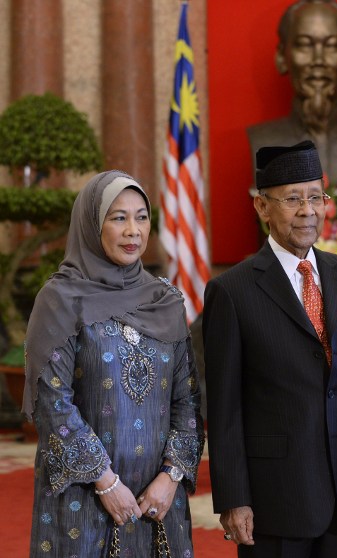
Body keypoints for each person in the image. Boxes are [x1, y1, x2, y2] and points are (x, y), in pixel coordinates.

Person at [204, 140, 337, 557]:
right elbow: (224, 407)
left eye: (316, 196)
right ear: (262, 207)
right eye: (293, 199)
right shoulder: (232, 290)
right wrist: (233, 496)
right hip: (273, 495)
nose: (308, 210)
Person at [23, 170, 205, 556]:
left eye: (141, 217)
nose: (133, 231)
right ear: (92, 223)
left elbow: (187, 400)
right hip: (83, 500)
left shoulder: (166, 300)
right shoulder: (60, 299)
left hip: (157, 502)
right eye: (118, 217)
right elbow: (53, 403)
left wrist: (171, 477)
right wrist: (106, 483)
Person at [247, 0, 337, 189]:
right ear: (281, 57)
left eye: (332, 45)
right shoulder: (263, 140)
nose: (318, 60)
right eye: (304, 45)